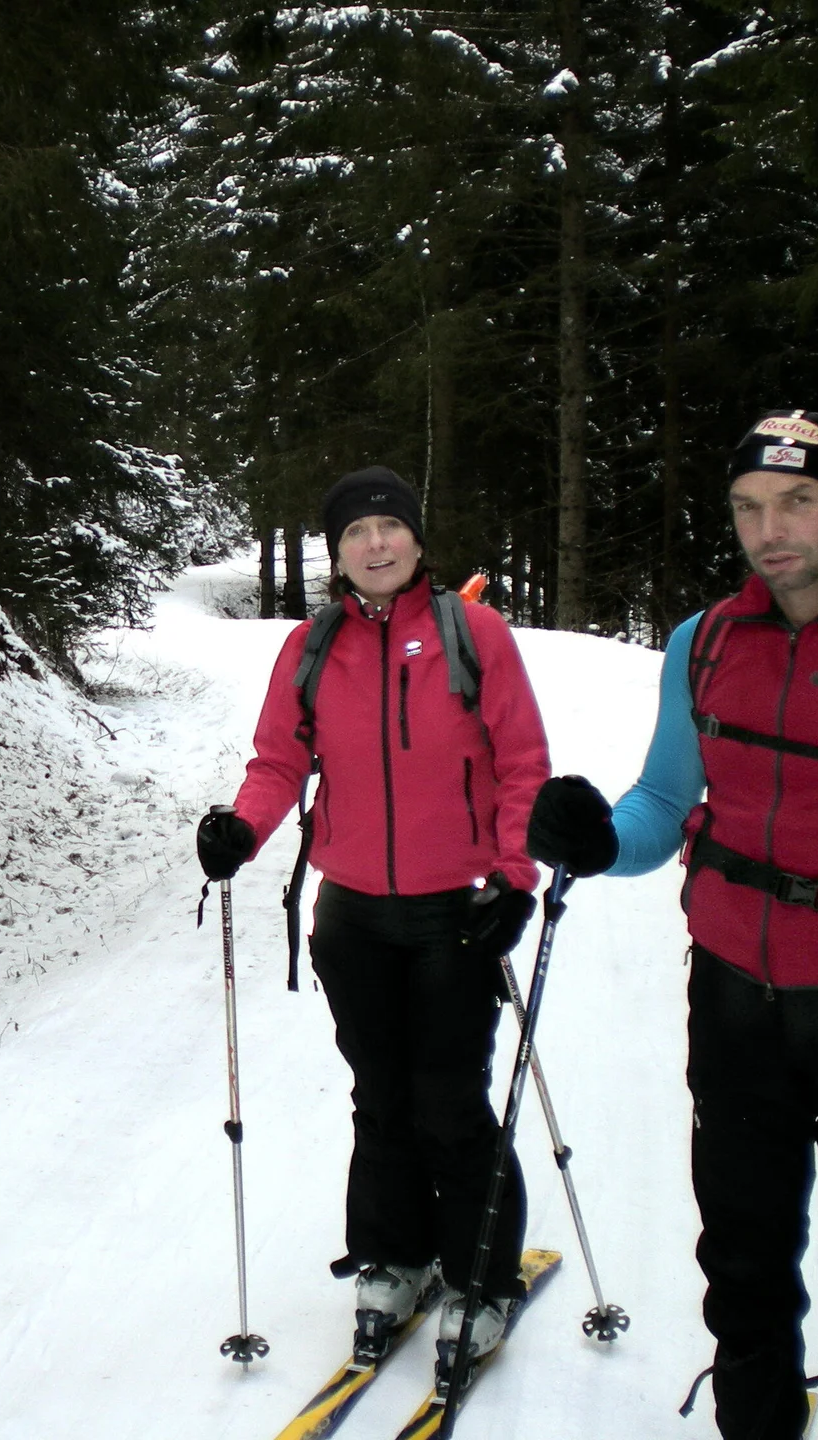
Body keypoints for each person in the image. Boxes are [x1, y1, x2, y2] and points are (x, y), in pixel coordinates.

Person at [525, 411, 818, 1440]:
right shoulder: (704, 643)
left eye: (797, 502)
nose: (770, 529)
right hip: (735, 1002)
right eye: (748, 507)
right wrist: (601, 841)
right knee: (742, 1260)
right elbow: (664, 802)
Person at [194, 466, 551, 1362]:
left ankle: (481, 1278)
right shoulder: (313, 646)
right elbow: (279, 762)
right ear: (338, 551)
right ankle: (395, 1255)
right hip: (352, 913)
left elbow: (522, 763)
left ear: (418, 540)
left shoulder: (474, 634)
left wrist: (515, 876)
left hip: (453, 913)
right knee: (381, 1098)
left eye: (390, 526)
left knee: (449, 1101)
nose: (375, 543)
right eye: (356, 531)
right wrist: (243, 828)